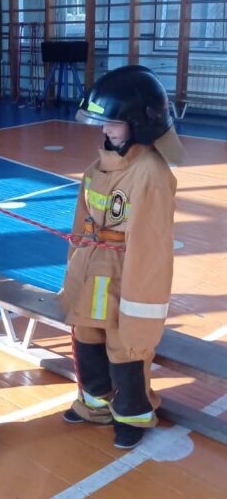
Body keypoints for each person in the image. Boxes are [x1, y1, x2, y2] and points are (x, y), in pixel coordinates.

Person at [58, 64, 184, 450]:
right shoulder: (98, 167)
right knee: (87, 335)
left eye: (113, 123)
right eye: (103, 123)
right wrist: (74, 267)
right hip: (92, 270)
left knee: (125, 346)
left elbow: (150, 250)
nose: (104, 130)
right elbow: (81, 225)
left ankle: (132, 414)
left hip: (123, 275)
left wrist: (140, 307)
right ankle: (94, 403)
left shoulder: (150, 175)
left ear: (139, 124)